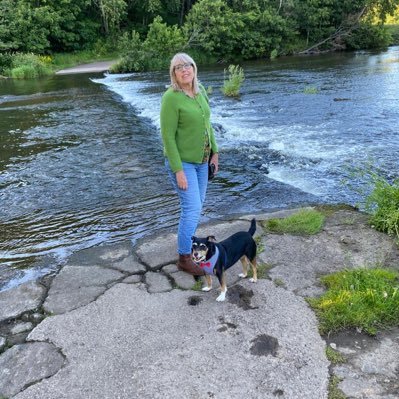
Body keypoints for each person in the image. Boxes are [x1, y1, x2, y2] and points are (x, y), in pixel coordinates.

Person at [160, 52, 219, 276]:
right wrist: (178, 171)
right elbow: (168, 137)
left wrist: (215, 151)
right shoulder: (171, 98)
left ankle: (190, 247)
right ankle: (184, 258)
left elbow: (208, 124)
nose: (185, 69)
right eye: (179, 67)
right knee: (191, 209)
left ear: (194, 68)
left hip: (203, 160)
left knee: (198, 205)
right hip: (183, 162)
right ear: (174, 73)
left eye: (188, 65)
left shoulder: (200, 90)